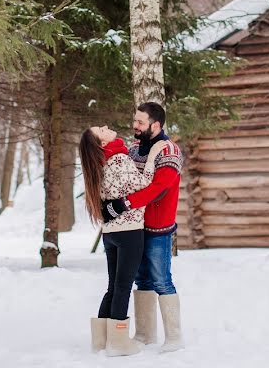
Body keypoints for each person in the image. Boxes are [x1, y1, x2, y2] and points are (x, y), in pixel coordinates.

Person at [101, 102, 184, 352]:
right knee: (141, 279)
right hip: (134, 227)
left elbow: (157, 189)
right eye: (134, 120)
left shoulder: (170, 152)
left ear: (155, 125)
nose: (134, 125)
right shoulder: (135, 148)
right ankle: (146, 334)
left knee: (161, 278)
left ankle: (174, 337)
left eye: (140, 122)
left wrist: (122, 205)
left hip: (158, 227)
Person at [80, 124, 157, 356]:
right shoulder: (119, 160)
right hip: (129, 231)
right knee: (122, 287)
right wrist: (152, 155)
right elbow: (144, 185)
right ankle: (119, 343)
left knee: (113, 287)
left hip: (110, 234)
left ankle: (101, 341)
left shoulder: (99, 165)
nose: (106, 127)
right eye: (101, 130)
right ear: (102, 143)